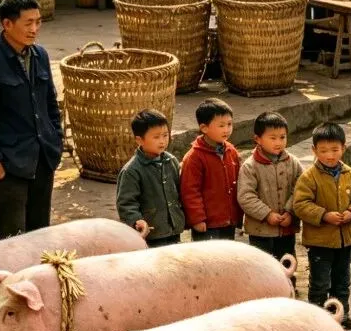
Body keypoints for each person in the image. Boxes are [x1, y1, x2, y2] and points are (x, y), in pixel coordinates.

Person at [0, 0, 62, 239]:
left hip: (43, 157)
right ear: (7, 24)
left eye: (38, 22)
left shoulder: (40, 55)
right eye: (28, 23)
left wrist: (56, 142)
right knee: (11, 238)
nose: (34, 29)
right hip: (9, 165)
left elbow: (50, 104)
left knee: (40, 235)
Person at [292, 121, 351, 328]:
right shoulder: (309, 177)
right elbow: (301, 205)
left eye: (334, 150)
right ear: (314, 150)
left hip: (345, 240)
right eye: (323, 151)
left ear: (344, 148)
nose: (330, 155)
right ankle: (317, 320)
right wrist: (324, 215)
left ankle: (342, 316)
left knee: (342, 281)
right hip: (320, 241)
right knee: (320, 282)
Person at [237, 111, 302, 267]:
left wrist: (290, 211)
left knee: (287, 264)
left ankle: (287, 284)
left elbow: (301, 189)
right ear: (258, 139)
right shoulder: (250, 166)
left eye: (282, 137)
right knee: (263, 267)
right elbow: (246, 196)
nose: (278, 142)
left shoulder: (293, 162)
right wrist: (267, 214)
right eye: (273, 138)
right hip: (260, 230)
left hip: (287, 227)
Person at [115, 109, 185, 247]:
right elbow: (126, 203)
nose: (162, 141)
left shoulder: (171, 161)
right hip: (151, 233)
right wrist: (136, 220)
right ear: (139, 140)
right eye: (156, 137)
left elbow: (180, 191)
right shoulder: (132, 171)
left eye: (165, 135)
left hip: (174, 228)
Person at [179, 98, 241, 242]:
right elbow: (190, 191)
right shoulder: (194, 157)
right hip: (207, 224)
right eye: (221, 125)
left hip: (229, 220)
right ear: (204, 128)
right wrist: (197, 219)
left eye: (229, 124)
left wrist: (238, 215)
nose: (227, 129)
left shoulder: (231, 150)